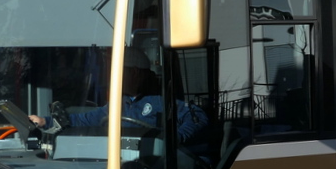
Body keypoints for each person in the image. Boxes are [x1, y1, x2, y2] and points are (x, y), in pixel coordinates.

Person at [29, 52, 206, 142]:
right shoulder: (119, 103)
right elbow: (85, 119)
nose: (113, 76)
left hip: (153, 165)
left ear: (135, 72)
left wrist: (174, 140)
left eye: (119, 71)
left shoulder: (161, 99)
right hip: (121, 163)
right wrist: (45, 122)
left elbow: (198, 117)